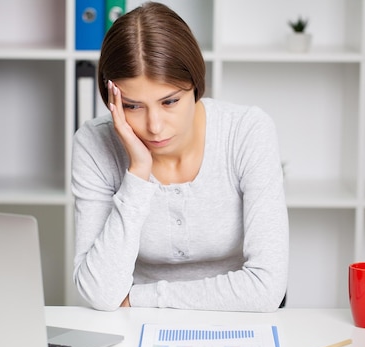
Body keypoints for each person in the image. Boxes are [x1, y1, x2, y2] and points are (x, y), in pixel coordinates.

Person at [71, 2, 288, 312]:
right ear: (112, 101)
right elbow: (100, 293)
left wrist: (139, 298)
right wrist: (138, 173)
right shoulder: (93, 144)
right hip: (137, 328)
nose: (154, 127)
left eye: (169, 101)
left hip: (238, 322)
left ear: (195, 87)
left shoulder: (247, 131)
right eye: (133, 106)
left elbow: (266, 288)